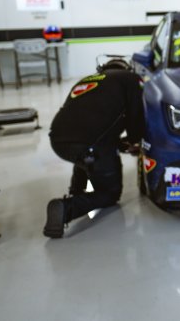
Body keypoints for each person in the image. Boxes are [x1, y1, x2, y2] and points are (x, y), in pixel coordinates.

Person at [43, 59, 145, 238]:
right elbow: (136, 115)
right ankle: (67, 208)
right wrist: (135, 140)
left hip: (58, 140)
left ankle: (76, 192)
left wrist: (118, 143)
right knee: (109, 193)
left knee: (84, 154)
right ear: (126, 69)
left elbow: (87, 119)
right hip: (90, 142)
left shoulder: (86, 81)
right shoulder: (130, 78)